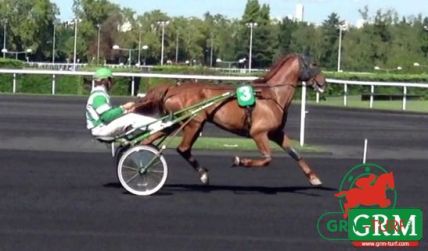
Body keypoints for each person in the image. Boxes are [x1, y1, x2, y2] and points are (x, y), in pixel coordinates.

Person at [86, 68, 157, 140]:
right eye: (111, 80)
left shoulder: (99, 94)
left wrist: (125, 111)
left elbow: (109, 112)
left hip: (102, 128)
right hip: (101, 130)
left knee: (130, 116)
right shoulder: (98, 96)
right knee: (132, 117)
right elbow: (106, 117)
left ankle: (154, 126)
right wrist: (124, 107)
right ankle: (157, 125)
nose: (112, 83)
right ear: (105, 81)